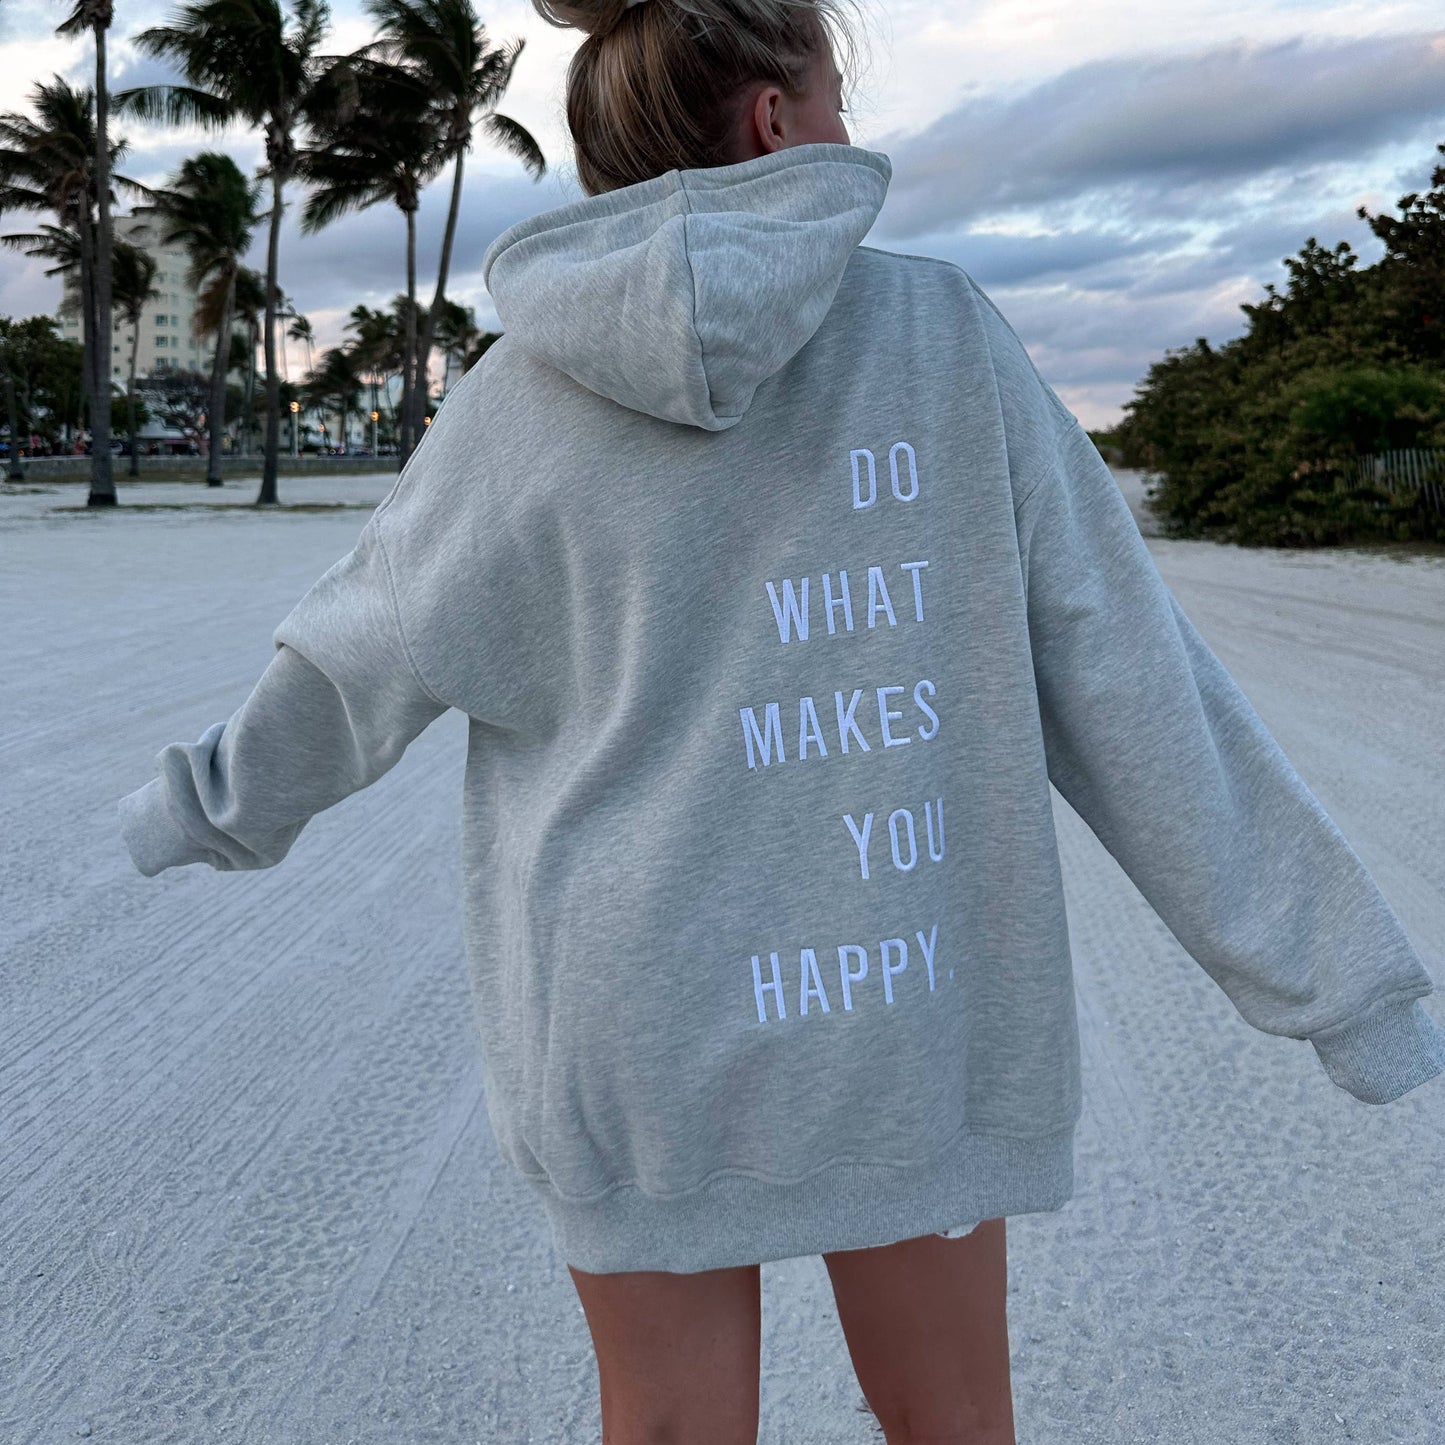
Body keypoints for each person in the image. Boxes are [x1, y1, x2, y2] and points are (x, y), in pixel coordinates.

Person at [116, 0, 1445, 1441]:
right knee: (953, 1422)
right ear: (771, 119)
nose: (844, 131)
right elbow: (1130, 682)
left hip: (626, 1028)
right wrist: (1338, 981)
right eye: (835, 98)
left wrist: (210, 803)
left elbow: (353, 656)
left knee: (672, 1425)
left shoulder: (514, 398)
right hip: (907, 1025)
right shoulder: (941, 340)